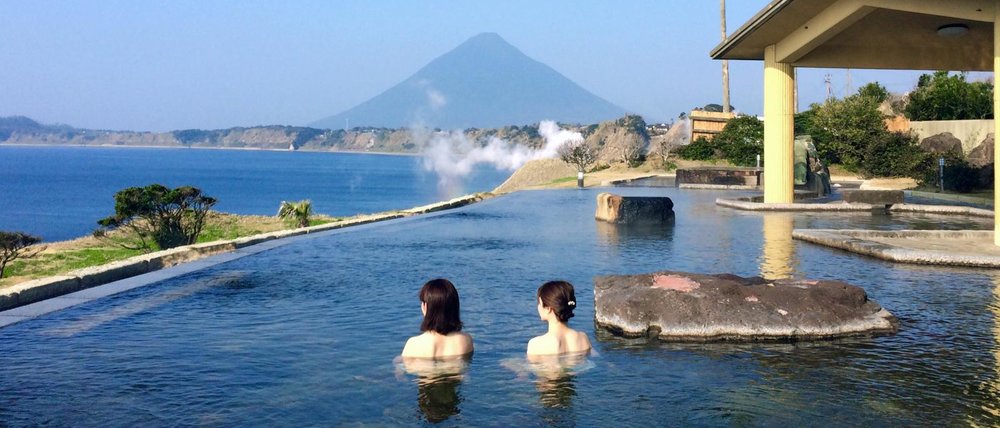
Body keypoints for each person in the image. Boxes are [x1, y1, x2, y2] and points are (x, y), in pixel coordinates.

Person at [401, 278, 474, 358]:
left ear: (425, 307)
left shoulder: (413, 345)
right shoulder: (466, 340)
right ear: (455, 308)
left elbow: (402, 367)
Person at [526, 280, 592, 356]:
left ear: (548, 309)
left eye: (539, 303)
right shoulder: (583, 338)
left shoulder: (536, 345)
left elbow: (530, 366)